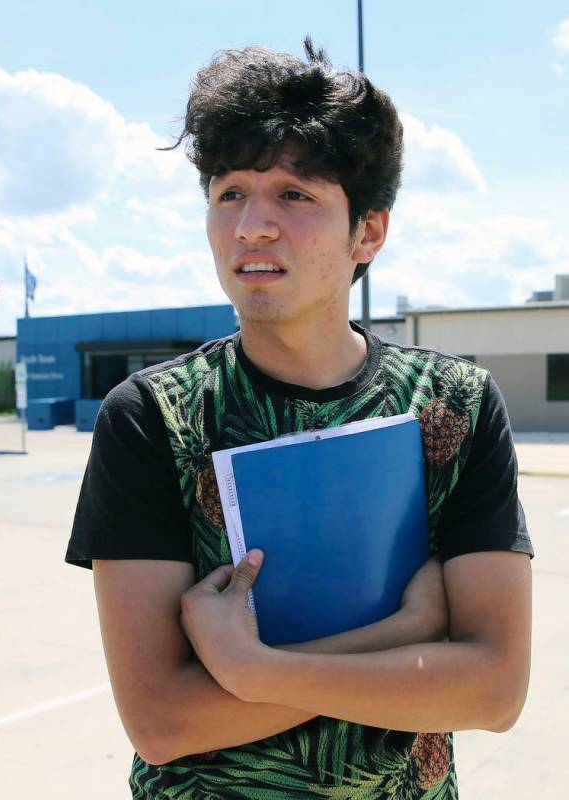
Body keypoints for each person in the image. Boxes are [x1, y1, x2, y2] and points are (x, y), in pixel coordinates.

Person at [66, 37, 534, 799]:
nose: (251, 225)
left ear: (368, 232)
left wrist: (252, 671)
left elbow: (492, 690)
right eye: (229, 193)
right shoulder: (156, 417)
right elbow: (163, 719)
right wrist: (407, 632)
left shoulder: (453, 404)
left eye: (294, 194)